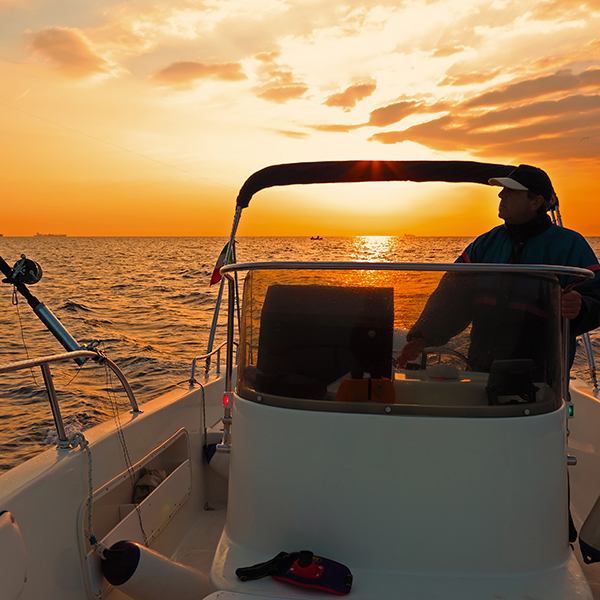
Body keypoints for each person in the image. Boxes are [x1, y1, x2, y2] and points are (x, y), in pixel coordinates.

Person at [396, 164, 600, 372]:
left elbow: (597, 296)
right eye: (503, 190)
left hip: (543, 381)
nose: (501, 195)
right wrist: (422, 337)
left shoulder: (570, 246)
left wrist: (582, 306)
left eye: (511, 191)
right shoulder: (484, 245)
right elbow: (451, 297)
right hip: (481, 373)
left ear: (536, 202)